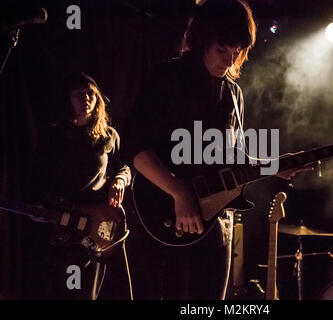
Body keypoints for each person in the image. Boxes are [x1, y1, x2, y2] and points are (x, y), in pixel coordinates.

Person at [124, 0, 256, 299]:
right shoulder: (168, 78)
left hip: (216, 225)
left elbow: (232, 161)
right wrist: (179, 192)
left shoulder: (234, 94)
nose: (229, 60)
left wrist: (277, 165)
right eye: (222, 50)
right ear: (201, 40)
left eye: (236, 53)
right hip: (162, 219)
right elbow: (134, 145)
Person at [38, 72, 132, 299]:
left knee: (98, 287)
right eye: (78, 94)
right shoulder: (53, 135)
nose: (86, 98)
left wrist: (119, 181)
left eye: (91, 93)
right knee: (68, 288)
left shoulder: (109, 136)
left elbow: (125, 167)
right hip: (64, 221)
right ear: (67, 100)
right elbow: (40, 177)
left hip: (100, 222)